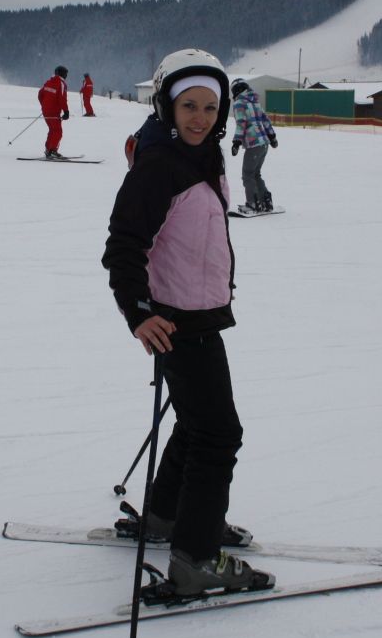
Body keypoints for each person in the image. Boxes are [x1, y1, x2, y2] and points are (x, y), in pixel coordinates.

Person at [102, 48, 274, 599]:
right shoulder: (162, 164)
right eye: (188, 106)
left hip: (197, 311)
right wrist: (138, 312)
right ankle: (196, 557)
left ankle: (168, 514)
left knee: (197, 422)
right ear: (166, 107)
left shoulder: (201, 156)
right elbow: (124, 245)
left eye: (209, 107)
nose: (200, 117)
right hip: (177, 319)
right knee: (218, 434)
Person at [228, 78, 279, 213]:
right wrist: (272, 137)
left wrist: (236, 142)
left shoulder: (239, 103)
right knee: (255, 174)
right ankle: (266, 202)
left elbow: (241, 124)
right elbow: (266, 120)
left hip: (254, 144)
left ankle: (252, 204)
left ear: (236, 90)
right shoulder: (255, 102)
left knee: (247, 174)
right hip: (264, 144)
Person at [39, 65, 71, 159]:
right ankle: (53, 150)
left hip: (45, 111)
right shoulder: (61, 83)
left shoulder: (48, 82)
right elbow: (62, 99)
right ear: (62, 74)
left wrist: (44, 105)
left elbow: (40, 94)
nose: (66, 76)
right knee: (57, 131)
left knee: (52, 130)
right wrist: (66, 111)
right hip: (54, 112)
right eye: (66, 74)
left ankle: (48, 150)